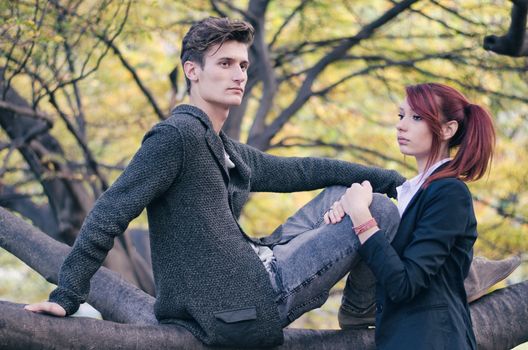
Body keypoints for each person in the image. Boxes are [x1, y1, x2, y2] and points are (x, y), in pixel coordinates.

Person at [24, 17, 517, 348]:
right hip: (244, 303)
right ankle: (364, 308)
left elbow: (304, 170)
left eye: (242, 64)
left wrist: (402, 182)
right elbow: (112, 209)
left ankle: (451, 269)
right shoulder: (176, 137)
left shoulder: (222, 148)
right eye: (224, 64)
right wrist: (68, 295)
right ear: (191, 71)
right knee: (382, 213)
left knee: (346, 194)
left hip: (253, 273)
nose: (239, 74)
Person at [327, 83, 495, 349]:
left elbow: (404, 284)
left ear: (447, 129)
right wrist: (350, 207)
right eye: (401, 115)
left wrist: (361, 215)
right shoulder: (410, 193)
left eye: (417, 118)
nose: (401, 126)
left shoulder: (450, 192)